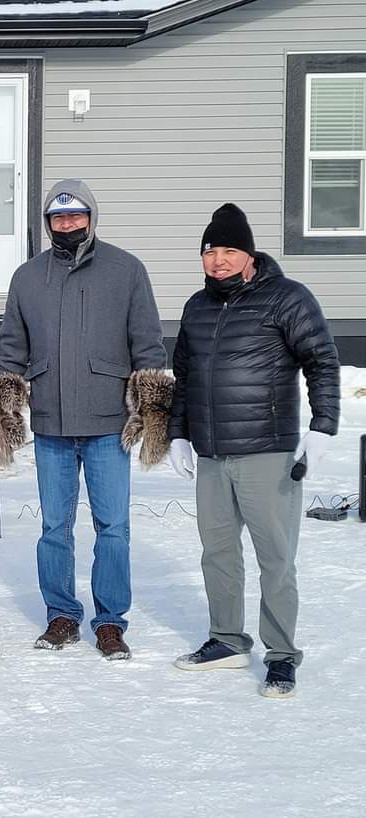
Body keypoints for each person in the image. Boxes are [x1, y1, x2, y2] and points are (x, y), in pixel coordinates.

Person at [0, 179, 169, 661]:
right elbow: (11, 348)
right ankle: (61, 615)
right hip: (51, 422)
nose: (66, 225)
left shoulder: (126, 270)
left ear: (91, 217)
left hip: (108, 422)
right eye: (57, 219)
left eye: (75, 216)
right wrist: (0, 411)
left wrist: (151, 411)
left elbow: (147, 342)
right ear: (48, 224)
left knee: (113, 527)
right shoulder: (27, 278)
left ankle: (110, 622)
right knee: (54, 527)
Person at [168, 203, 340, 698]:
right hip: (212, 455)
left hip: (267, 451)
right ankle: (226, 639)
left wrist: (323, 426)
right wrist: (179, 433)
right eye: (210, 251)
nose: (218, 261)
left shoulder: (287, 298)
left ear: (249, 255)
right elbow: (185, 377)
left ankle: (281, 654)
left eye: (229, 250)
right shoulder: (197, 307)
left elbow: (322, 360)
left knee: (275, 558)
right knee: (217, 554)